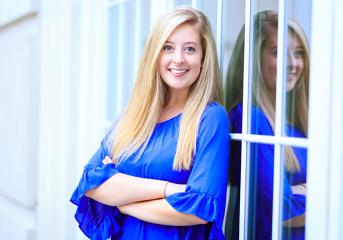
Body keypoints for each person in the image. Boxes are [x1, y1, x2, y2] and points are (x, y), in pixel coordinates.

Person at [70, 6, 230, 240]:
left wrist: (122, 202)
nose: (178, 59)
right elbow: (90, 182)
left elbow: (199, 208)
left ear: (204, 58)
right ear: (155, 55)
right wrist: (168, 190)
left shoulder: (210, 118)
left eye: (190, 49)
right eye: (168, 47)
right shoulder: (135, 116)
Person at [224, 10, 309, 240]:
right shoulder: (250, 119)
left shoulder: (296, 123)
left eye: (299, 53)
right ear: (254, 59)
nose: (293, 64)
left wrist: (301, 192)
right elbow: (280, 208)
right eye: (279, 52)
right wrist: (321, 191)